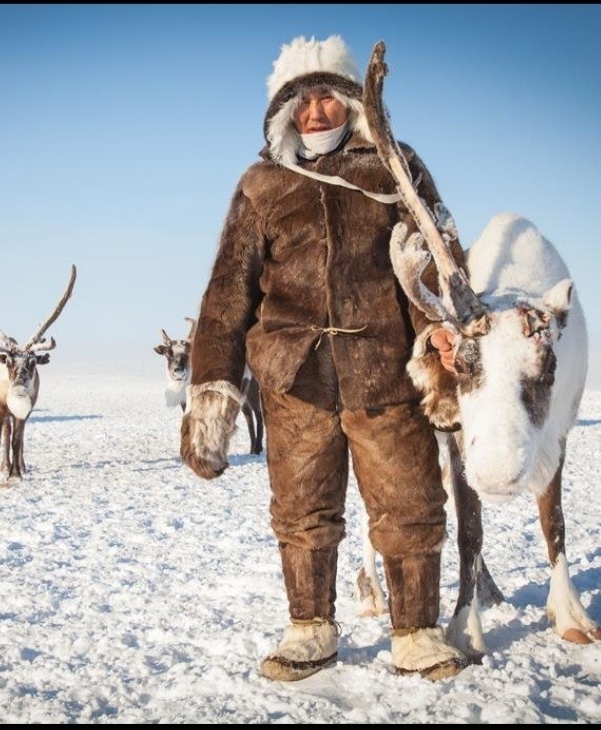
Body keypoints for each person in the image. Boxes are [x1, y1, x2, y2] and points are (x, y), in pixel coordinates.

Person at [179, 35, 469, 682]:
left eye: (329, 99)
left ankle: (417, 631)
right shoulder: (261, 185)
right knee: (302, 508)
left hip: (385, 368)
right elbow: (228, 293)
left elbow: (433, 257)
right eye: (302, 101)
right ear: (285, 112)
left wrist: (443, 330)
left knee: (409, 501)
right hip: (295, 379)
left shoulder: (396, 165)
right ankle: (310, 628)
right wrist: (213, 395)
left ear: (352, 103)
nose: (316, 112)